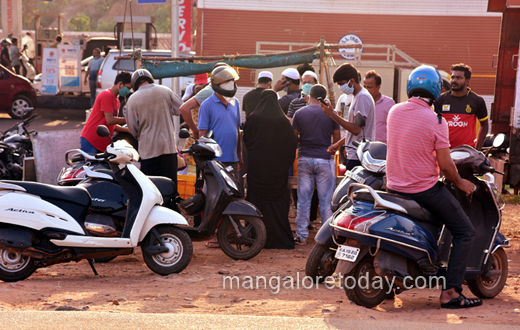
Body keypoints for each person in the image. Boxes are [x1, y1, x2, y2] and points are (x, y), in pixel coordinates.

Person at [386, 65, 481, 309]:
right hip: (423, 191)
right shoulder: (437, 120)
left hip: (393, 187)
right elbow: (447, 166)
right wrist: (462, 183)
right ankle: (451, 292)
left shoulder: (394, 111)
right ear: (437, 90)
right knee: (465, 231)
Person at [243, 90, 297, 249]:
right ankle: (278, 239)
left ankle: (255, 237)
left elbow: (246, 139)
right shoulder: (283, 120)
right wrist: (283, 165)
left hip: (258, 168)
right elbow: (291, 144)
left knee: (257, 203)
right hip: (277, 172)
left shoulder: (253, 118)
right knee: (277, 206)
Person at [292, 84, 340, 245]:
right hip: (325, 158)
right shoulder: (330, 114)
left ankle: (302, 236)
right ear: (324, 97)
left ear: (308, 96)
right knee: (326, 200)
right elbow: (336, 138)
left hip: (305, 158)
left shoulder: (299, 113)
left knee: (303, 199)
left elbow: (294, 139)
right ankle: (326, 238)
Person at [125, 69, 183, 187]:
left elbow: (132, 127)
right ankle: (170, 205)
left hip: (148, 150)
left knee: (151, 187)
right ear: (150, 79)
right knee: (170, 185)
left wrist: (140, 136)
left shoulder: (133, 99)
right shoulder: (165, 91)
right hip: (168, 147)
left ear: (134, 84)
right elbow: (180, 108)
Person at [320, 63, 375, 170]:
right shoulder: (357, 96)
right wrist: (339, 144)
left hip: (359, 156)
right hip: (356, 154)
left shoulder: (362, 97)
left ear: (352, 81)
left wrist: (332, 115)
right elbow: (356, 129)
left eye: (342, 84)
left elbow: (356, 129)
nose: (341, 87)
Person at [198, 66, 243, 180]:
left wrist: (239, 155)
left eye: (231, 81)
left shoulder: (235, 103)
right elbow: (202, 134)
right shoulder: (206, 105)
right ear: (217, 83)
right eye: (226, 81)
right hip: (215, 161)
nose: (230, 83)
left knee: (234, 193)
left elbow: (237, 131)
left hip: (232, 160)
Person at [435, 63, 489, 149]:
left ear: (467, 81)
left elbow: (484, 125)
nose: (454, 80)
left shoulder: (477, 100)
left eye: (459, 78)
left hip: (466, 153)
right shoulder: (440, 99)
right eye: (453, 77)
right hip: (444, 151)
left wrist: (477, 148)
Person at [80, 71, 132, 153]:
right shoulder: (106, 95)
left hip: (102, 143)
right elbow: (110, 120)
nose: (128, 91)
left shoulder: (117, 101)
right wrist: (129, 119)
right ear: (121, 84)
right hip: (91, 141)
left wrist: (127, 130)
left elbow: (112, 125)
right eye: (128, 88)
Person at [179, 63, 230, 139]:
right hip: (205, 138)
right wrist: (195, 131)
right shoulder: (209, 91)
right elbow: (184, 108)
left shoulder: (224, 92)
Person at [363, 70, 395, 144]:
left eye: (369, 87)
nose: (366, 90)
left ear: (378, 87)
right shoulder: (361, 102)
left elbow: (395, 128)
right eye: (365, 87)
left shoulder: (389, 103)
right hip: (364, 147)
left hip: (383, 148)